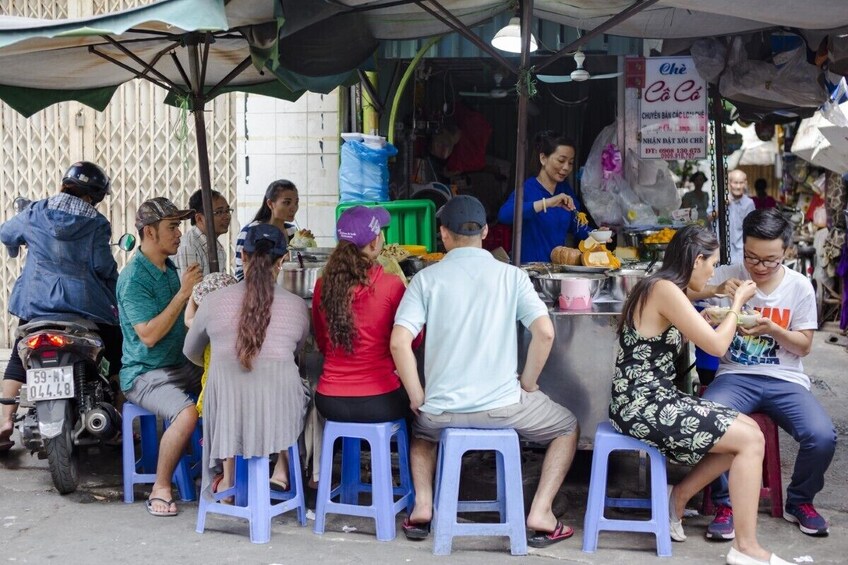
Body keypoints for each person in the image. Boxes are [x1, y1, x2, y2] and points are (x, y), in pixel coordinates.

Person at [390, 195, 579, 547]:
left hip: (441, 412)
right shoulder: (513, 277)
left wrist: (419, 397)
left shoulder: (425, 280)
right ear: (486, 232)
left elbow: (400, 342)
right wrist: (528, 382)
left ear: (443, 234)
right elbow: (545, 332)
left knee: (422, 433)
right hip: (503, 409)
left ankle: (423, 507)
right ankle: (540, 511)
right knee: (567, 427)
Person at [611, 224, 793, 565]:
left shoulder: (659, 284)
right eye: (711, 264)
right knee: (750, 441)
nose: (713, 272)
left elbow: (687, 307)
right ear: (696, 260)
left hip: (651, 399)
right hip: (642, 405)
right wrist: (736, 302)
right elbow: (716, 345)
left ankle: (677, 499)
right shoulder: (664, 290)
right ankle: (746, 547)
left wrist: (710, 310)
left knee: (747, 431)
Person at [696, 208, 836, 540]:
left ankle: (800, 500)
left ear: (786, 251)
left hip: (786, 379)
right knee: (707, 421)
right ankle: (725, 503)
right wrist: (715, 292)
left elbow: (803, 347)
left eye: (769, 260)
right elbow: (680, 295)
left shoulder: (799, 287)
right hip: (735, 375)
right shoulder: (727, 275)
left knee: (822, 437)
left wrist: (773, 328)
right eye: (752, 257)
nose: (758, 267)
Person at [0, 162, 122, 452]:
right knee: (117, 350)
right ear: (95, 195)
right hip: (84, 307)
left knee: (20, 354)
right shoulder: (96, 223)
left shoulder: (33, 212)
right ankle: (116, 417)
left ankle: (5, 421)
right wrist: (115, 286)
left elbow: (6, 233)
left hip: (36, 304)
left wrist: (17, 247)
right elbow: (102, 266)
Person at [183, 224, 310, 500]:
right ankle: (281, 468)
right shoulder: (297, 306)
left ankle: (228, 482)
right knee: (297, 386)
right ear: (283, 259)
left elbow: (191, 351)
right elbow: (297, 351)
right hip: (279, 417)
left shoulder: (213, 301)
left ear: (242, 255)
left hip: (227, 413)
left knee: (226, 390)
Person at [117, 197, 203, 517]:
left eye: (179, 226)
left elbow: (184, 318)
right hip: (144, 373)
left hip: (180, 365)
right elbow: (149, 335)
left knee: (226, 381)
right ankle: (161, 487)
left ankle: (221, 474)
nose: (179, 233)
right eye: (172, 227)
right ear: (149, 232)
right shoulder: (133, 279)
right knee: (186, 414)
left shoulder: (169, 268)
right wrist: (183, 294)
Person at [313, 205, 419, 423]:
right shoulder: (392, 285)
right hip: (381, 398)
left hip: (329, 399)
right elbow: (413, 341)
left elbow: (322, 342)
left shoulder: (322, 286)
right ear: (374, 242)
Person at [497, 131, 593, 263]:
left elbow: (578, 226)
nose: (566, 168)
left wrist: (597, 235)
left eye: (570, 163)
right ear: (543, 158)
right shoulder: (528, 188)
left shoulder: (565, 190)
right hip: (530, 271)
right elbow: (504, 215)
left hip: (557, 271)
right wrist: (546, 203)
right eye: (561, 160)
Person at [234, 179, 299, 281]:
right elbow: (239, 273)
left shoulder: (293, 232)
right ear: (270, 204)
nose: (293, 208)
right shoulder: (249, 232)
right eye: (287, 202)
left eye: (296, 203)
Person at [173, 189, 232, 276]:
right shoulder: (189, 247)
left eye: (227, 211)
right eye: (219, 212)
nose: (226, 216)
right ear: (199, 219)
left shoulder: (218, 247)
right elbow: (191, 288)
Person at [709, 170, 756, 265]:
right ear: (729, 183)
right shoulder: (720, 199)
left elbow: (753, 227)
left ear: (745, 183)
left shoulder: (749, 203)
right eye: (735, 183)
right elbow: (709, 217)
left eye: (741, 183)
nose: (738, 186)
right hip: (720, 249)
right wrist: (723, 205)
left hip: (741, 251)